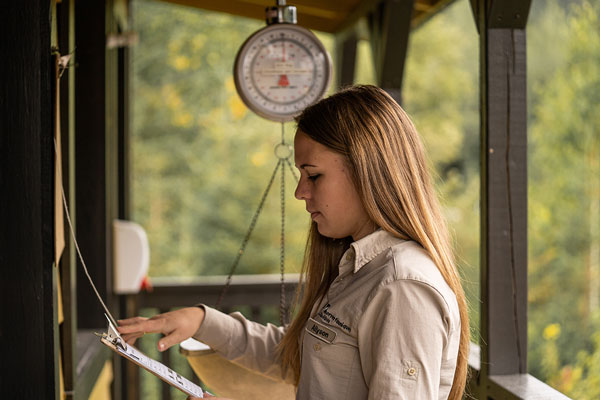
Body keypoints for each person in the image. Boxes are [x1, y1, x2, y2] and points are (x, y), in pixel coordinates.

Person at [119, 85, 470, 399]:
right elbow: (299, 356)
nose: (302, 192)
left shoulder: (403, 287)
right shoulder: (358, 269)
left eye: (313, 175)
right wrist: (202, 321)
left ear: (368, 169)